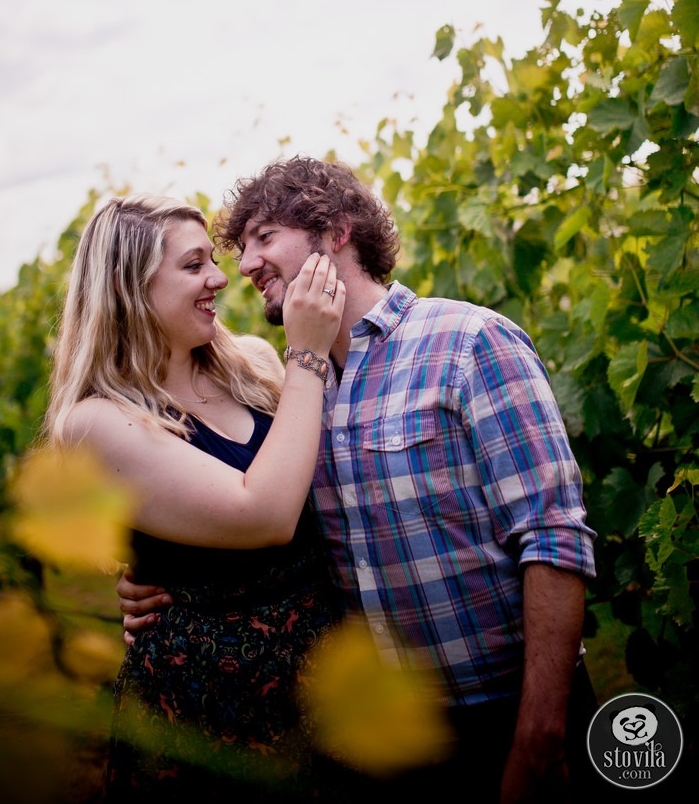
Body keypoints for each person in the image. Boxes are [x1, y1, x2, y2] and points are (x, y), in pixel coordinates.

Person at [118, 158, 605, 803]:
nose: (244, 264)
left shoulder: (467, 342)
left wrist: (540, 736)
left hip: (504, 711)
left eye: (264, 237)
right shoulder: (288, 395)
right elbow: (252, 505)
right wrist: (152, 574)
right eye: (241, 247)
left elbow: (552, 538)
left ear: (337, 231)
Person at [41, 192, 347, 801]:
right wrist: (307, 353)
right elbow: (262, 513)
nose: (218, 277)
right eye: (192, 265)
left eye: (212, 258)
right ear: (129, 288)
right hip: (212, 711)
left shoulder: (255, 366)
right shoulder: (97, 422)